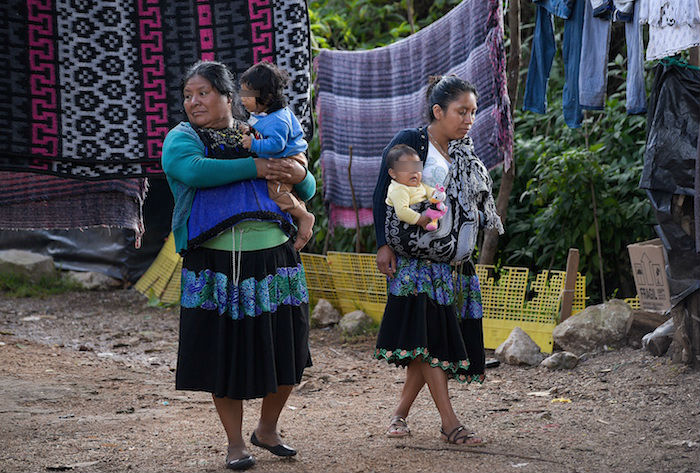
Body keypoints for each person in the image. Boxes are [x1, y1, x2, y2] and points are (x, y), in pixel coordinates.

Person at [161, 60, 315, 471]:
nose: (194, 102)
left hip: (276, 259)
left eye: (203, 93)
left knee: (288, 348)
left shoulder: (262, 129)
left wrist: (297, 168)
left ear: (229, 97)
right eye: (188, 95)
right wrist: (259, 166)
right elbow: (189, 169)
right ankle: (235, 445)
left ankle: (267, 428)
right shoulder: (183, 137)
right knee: (222, 354)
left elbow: (308, 184)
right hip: (217, 265)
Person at [372, 75, 503, 445]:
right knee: (428, 342)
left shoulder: (464, 150)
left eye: (473, 112)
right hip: (417, 264)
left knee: (426, 340)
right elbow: (383, 189)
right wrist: (382, 244)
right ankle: (450, 423)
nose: (468, 119)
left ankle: (398, 415)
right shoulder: (413, 143)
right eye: (461, 111)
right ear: (437, 111)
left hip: (454, 266)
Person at [238, 61, 315, 251]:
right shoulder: (263, 113)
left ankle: (304, 217)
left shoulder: (278, 119)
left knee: (278, 191)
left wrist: (253, 144)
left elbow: (276, 145)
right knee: (289, 193)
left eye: (248, 95)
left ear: (266, 96)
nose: (243, 99)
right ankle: (301, 218)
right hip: (285, 157)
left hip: (290, 159)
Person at [384, 144, 434, 230]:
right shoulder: (399, 190)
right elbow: (402, 212)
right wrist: (420, 219)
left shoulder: (419, 185)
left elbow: (427, 189)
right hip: (404, 229)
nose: (413, 171)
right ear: (393, 173)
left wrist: (435, 194)